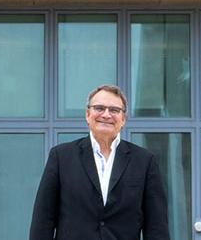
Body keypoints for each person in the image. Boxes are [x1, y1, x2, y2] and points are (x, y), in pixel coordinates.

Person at [30, 85, 170, 240]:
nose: (106, 114)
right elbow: (43, 219)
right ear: (87, 114)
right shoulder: (61, 157)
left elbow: (157, 226)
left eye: (114, 110)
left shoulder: (145, 161)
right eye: (99, 108)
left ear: (123, 119)